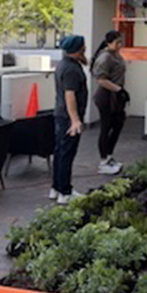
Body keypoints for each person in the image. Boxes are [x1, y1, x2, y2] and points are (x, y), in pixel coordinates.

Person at [50, 35, 88, 204]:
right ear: (79, 49)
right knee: (66, 154)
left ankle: (56, 188)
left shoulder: (64, 64)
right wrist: (75, 120)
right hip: (68, 117)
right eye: (83, 46)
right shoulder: (72, 69)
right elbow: (70, 95)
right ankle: (65, 192)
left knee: (60, 152)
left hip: (60, 115)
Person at [90, 30, 130, 175]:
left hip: (116, 95)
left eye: (121, 42)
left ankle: (109, 155)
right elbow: (100, 79)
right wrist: (118, 90)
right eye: (117, 42)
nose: (120, 45)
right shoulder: (105, 57)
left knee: (118, 124)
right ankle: (103, 161)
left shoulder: (116, 54)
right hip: (106, 96)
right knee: (106, 127)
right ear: (109, 43)